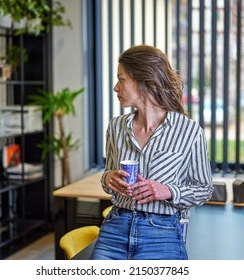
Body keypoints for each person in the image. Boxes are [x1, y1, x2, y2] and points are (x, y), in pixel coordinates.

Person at [90, 45, 214, 260]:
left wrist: (167, 191)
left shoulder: (189, 130)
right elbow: (107, 178)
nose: (115, 87)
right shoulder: (116, 127)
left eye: (121, 79)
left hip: (162, 231)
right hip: (116, 227)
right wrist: (108, 177)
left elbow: (204, 189)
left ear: (143, 80)